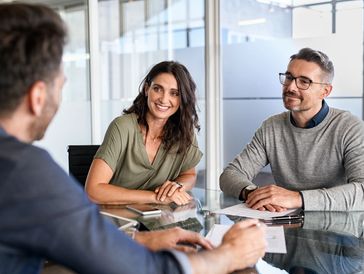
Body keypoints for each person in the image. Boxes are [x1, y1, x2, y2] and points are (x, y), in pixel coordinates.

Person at [0, 3, 267, 274]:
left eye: (174, 93)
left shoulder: (18, 171)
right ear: (37, 97)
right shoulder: (24, 172)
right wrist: (228, 254)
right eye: (61, 84)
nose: (164, 99)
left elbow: (74, 238)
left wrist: (142, 238)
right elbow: (143, 268)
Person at [220, 47, 364, 212]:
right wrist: (253, 193)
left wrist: (297, 198)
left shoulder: (349, 128)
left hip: (338, 231)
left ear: (325, 91)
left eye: (304, 81)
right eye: (289, 77)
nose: (291, 87)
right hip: (284, 228)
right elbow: (230, 175)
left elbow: (362, 191)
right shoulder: (271, 127)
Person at [85, 61, 202, 206]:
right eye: (158, 89)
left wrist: (176, 187)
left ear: (182, 98)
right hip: (114, 219)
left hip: (157, 220)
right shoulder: (122, 127)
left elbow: (189, 174)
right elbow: (93, 190)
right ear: (147, 89)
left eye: (174, 93)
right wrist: (155, 197)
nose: (164, 99)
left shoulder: (185, 132)